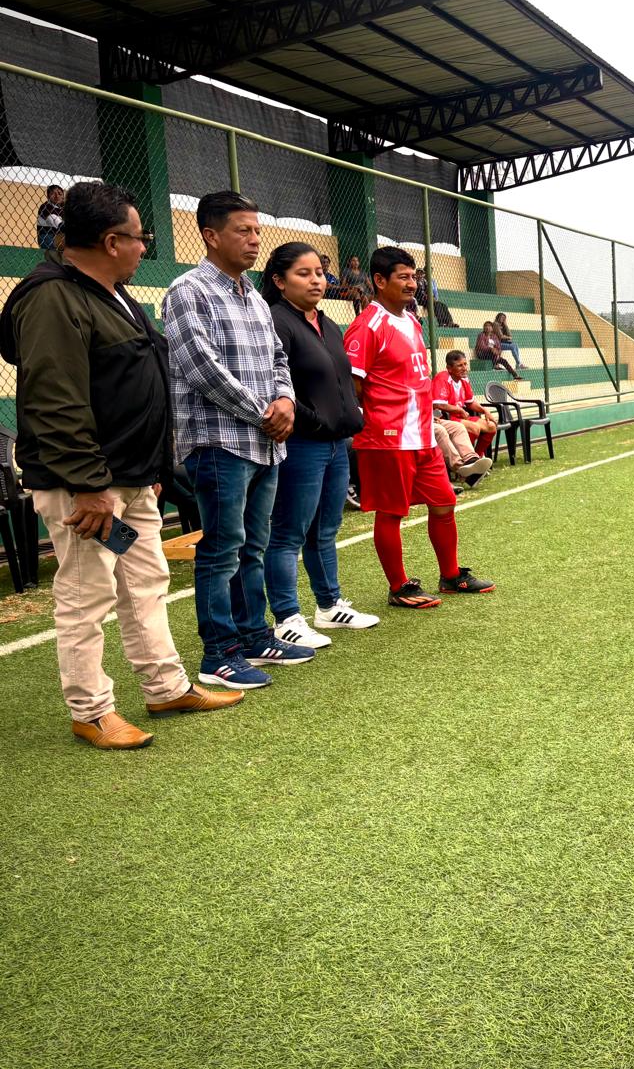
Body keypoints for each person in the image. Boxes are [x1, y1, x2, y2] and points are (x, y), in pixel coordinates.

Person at [0, 181, 243, 749]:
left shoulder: (113, 294)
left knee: (145, 584)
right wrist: (88, 486)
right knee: (87, 596)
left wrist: (151, 467)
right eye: (140, 238)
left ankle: (165, 687)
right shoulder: (53, 298)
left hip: (129, 479)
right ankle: (90, 711)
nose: (144, 247)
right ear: (112, 242)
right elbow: (56, 400)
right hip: (86, 487)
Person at [165, 191, 314, 690]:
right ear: (211, 235)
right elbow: (201, 369)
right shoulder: (188, 292)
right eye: (242, 230)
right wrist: (265, 413)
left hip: (264, 442)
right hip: (220, 444)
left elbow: (278, 359)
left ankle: (254, 635)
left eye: (256, 231)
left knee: (253, 545)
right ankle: (219, 653)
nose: (254, 240)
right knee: (221, 548)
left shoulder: (252, 295)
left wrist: (286, 400)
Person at [344, 246, 495, 607]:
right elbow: (353, 385)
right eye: (404, 277)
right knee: (392, 512)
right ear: (380, 281)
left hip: (424, 434)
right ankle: (399, 587)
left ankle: (451, 576)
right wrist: (383, 416)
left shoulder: (412, 320)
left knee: (443, 502)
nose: (412, 284)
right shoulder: (367, 326)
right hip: (389, 438)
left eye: (414, 277)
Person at [260, 242, 380, 648]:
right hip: (302, 445)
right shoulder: (276, 321)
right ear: (279, 281)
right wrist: (314, 420)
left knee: (325, 529)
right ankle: (286, 617)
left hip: (336, 443)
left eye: (319, 273)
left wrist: (347, 421)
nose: (316, 280)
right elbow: (277, 385)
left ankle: (329, 606)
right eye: (303, 273)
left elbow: (340, 382)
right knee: (288, 533)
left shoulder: (328, 323)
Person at [433, 350, 498, 460]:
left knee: (491, 426)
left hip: (460, 417)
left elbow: (470, 402)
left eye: (465, 364)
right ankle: (465, 458)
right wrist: (459, 410)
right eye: (459, 365)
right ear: (449, 368)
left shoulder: (464, 379)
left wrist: (484, 410)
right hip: (445, 418)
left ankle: (478, 456)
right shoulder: (442, 378)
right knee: (474, 428)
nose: (464, 368)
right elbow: (439, 404)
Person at [35, 183, 64, 251]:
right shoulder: (45, 207)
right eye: (53, 194)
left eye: (59, 194)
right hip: (47, 237)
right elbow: (52, 219)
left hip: (59, 236)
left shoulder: (64, 207)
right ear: (48, 197)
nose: (57, 196)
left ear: (63, 197)